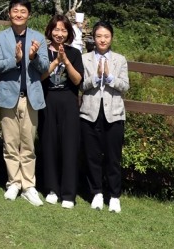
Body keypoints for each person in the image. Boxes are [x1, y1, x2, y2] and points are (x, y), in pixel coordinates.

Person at [0, 0, 49, 206]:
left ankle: (28, 185)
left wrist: (33, 56)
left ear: (29, 15)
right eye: (15, 11)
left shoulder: (38, 38)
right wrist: (16, 60)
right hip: (8, 95)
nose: (18, 14)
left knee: (27, 143)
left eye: (23, 11)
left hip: (31, 98)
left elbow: (45, 67)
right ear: (9, 13)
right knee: (10, 143)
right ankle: (13, 182)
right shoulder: (1, 38)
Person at [80, 20, 130, 213]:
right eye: (99, 36)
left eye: (106, 36)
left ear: (112, 38)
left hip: (114, 114)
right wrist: (95, 77)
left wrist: (109, 77)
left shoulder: (120, 60)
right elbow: (80, 84)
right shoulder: (85, 59)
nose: (102, 40)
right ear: (93, 37)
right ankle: (97, 193)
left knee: (113, 157)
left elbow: (125, 86)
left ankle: (115, 196)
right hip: (90, 113)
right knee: (92, 156)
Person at [38, 14, 84, 208]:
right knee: (49, 145)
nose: (59, 33)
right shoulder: (43, 52)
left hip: (68, 103)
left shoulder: (74, 53)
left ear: (69, 33)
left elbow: (77, 80)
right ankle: (52, 189)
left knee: (69, 146)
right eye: (56, 29)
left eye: (64, 30)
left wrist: (65, 60)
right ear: (50, 31)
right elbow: (39, 77)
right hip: (48, 101)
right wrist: (56, 62)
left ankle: (68, 193)